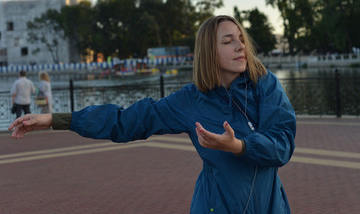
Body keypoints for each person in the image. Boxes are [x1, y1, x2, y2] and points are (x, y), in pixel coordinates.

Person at [8, 15, 296, 214]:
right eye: (228, 41)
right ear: (209, 50)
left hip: (271, 206)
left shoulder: (264, 84)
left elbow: (281, 146)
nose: (240, 46)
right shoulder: (190, 100)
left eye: (241, 39)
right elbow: (127, 122)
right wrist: (56, 119)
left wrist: (239, 146)